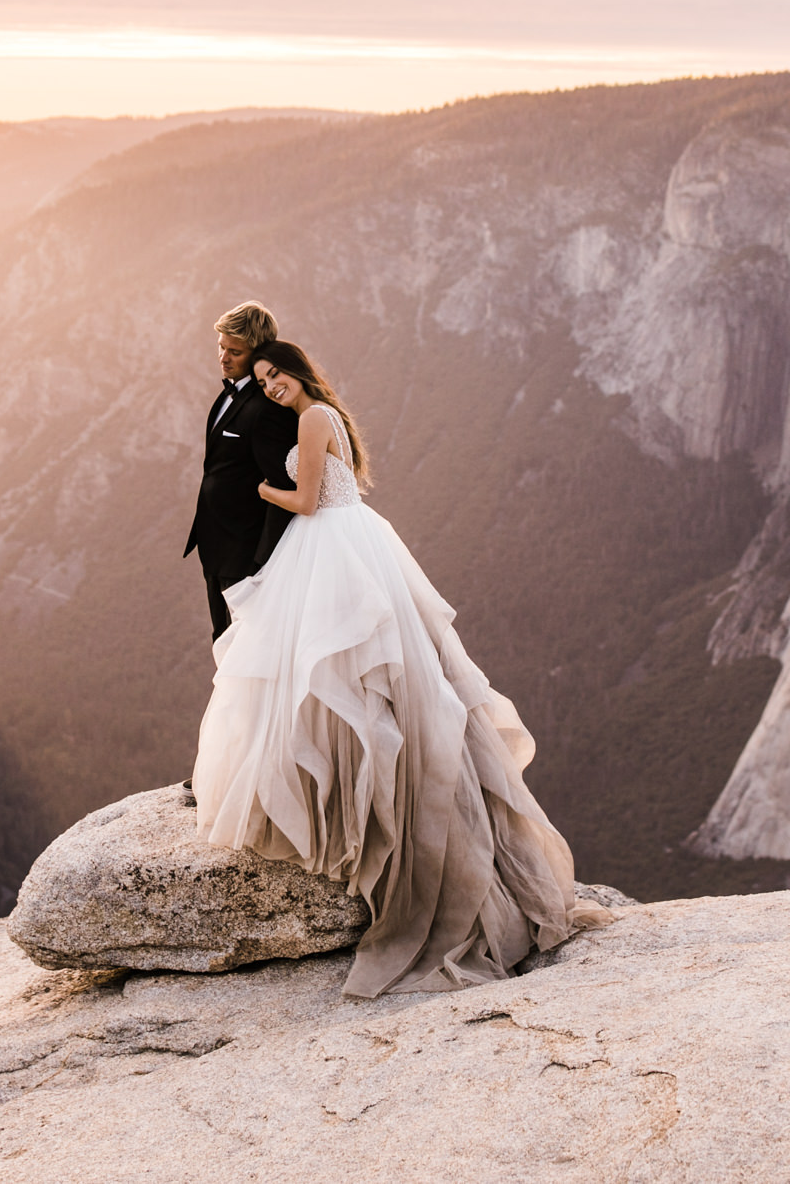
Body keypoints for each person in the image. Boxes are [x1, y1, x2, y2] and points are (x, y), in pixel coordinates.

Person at [191, 339, 609, 998]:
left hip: (330, 542)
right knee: (356, 675)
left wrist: (257, 485)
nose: (270, 385)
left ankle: (352, 812)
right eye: (263, 378)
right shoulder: (326, 412)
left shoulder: (311, 417)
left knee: (332, 674)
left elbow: (303, 501)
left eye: (277, 375)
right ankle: (357, 804)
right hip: (347, 540)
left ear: (298, 372)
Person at [183, 301, 301, 640]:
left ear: (258, 353)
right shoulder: (226, 396)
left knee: (246, 653)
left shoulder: (269, 409)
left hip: (245, 558)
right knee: (223, 643)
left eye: (234, 351)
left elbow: (283, 486)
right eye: (221, 347)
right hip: (216, 549)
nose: (223, 357)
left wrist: (259, 565)